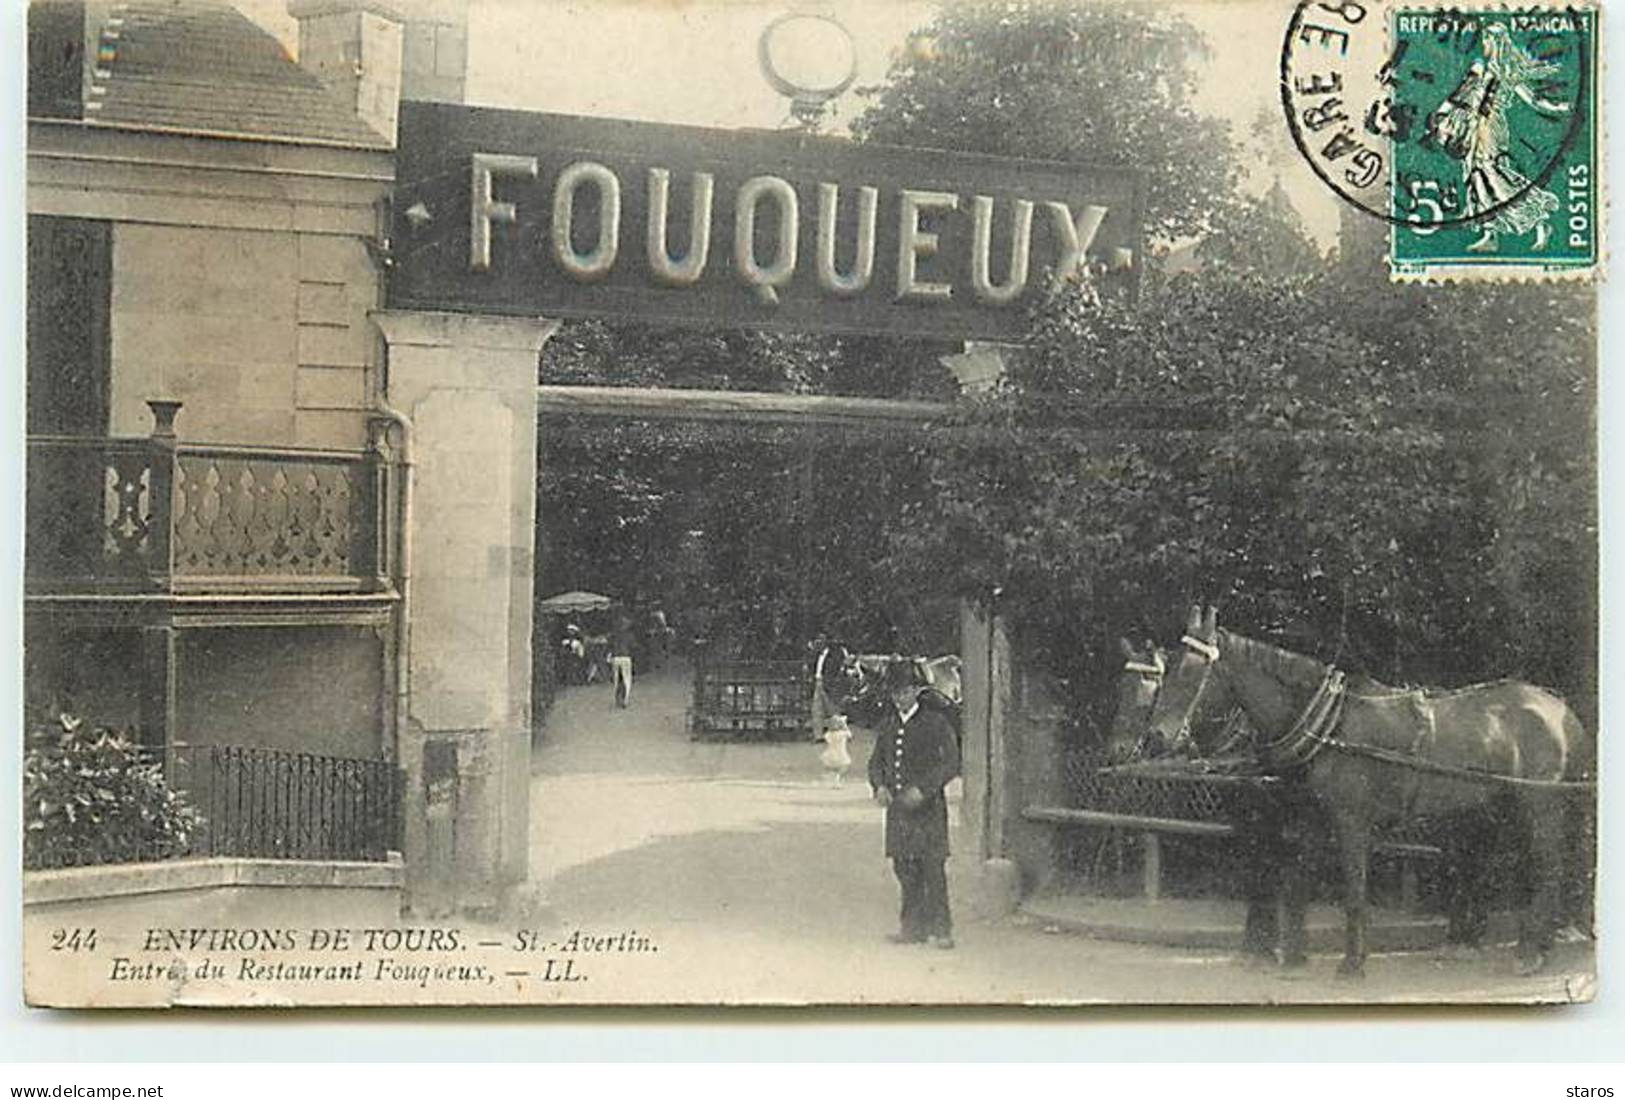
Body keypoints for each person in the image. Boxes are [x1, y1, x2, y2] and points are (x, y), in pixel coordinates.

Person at [868, 660, 961, 949]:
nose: (900, 697)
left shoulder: (936, 723)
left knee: (932, 868)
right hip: (898, 811)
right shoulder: (888, 725)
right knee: (904, 868)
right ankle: (912, 928)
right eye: (895, 692)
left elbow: (950, 763)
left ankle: (942, 929)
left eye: (906, 691)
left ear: (917, 691)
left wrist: (924, 789)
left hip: (928, 810)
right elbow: (876, 762)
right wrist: (879, 786)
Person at [609, 614, 635, 708]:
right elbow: (633, 647)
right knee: (627, 679)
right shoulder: (629, 635)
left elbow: (610, 646)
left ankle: (617, 698)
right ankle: (625, 700)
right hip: (625, 657)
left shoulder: (614, 635)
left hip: (615, 657)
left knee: (617, 679)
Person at [819, 713, 853, 785]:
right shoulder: (843, 733)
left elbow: (826, 739)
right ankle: (836, 779)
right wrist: (844, 724)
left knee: (832, 768)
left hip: (830, 753)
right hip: (841, 753)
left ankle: (834, 778)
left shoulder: (828, 734)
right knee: (844, 767)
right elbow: (850, 736)